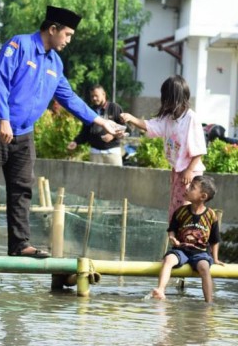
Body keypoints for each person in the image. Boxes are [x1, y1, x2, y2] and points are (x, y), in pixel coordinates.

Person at [0, 5, 122, 260]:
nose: (68, 41)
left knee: (22, 188)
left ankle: (19, 244)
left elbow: (69, 97)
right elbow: (1, 80)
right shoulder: (19, 45)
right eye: (66, 34)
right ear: (52, 29)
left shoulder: (55, 62)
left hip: (24, 133)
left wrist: (101, 120)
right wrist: (3, 119)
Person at [121, 75, 207, 220]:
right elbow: (150, 126)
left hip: (190, 174)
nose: (165, 102)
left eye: (167, 98)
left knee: (186, 211)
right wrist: (131, 118)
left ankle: (186, 239)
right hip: (178, 171)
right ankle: (175, 238)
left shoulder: (191, 119)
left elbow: (199, 150)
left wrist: (189, 171)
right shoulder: (169, 118)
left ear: (176, 98)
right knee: (175, 208)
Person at [151, 175, 224, 302]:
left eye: (192, 188)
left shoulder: (211, 215)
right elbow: (172, 229)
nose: (187, 189)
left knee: (205, 268)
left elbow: (215, 239)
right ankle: (161, 290)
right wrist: (173, 238)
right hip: (181, 250)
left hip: (200, 252)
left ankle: (209, 302)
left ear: (203, 197)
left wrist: (215, 259)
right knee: (168, 260)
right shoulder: (180, 211)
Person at [67, 84, 126, 166]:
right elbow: (85, 132)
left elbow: (124, 128)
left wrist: (112, 135)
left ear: (103, 94)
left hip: (113, 152)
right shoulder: (90, 111)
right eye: (92, 96)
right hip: (95, 153)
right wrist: (76, 142)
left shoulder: (115, 108)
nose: (94, 98)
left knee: (115, 178)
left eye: (96, 96)